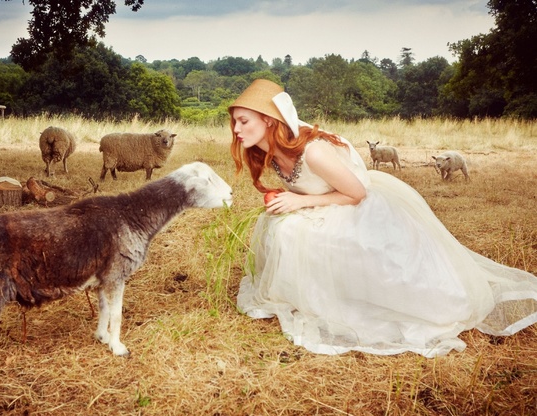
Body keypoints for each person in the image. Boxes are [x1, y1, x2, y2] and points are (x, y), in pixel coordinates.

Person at [228, 79, 537, 357]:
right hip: (325, 204)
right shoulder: (270, 153)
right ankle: (307, 295)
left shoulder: (313, 153)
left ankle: (360, 299)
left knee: (300, 232)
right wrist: (296, 202)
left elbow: (356, 194)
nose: (236, 129)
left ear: (269, 121)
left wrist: (301, 200)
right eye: (235, 123)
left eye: (243, 121)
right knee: (283, 228)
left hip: (356, 207)